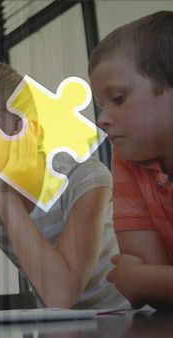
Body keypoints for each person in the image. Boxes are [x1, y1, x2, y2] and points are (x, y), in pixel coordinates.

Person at [0, 60, 127, 309]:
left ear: (23, 130)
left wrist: (5, 196)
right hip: (58, 329)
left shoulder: (84, 177)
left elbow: (62, 295)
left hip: (133, 320)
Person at [89, 11, 173, 310]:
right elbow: (146, 286)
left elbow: (138, 279)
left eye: (119, 99)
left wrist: (142, 279)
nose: (102, 119)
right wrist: (146, 280)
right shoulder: (127, 157)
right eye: (101, 104)